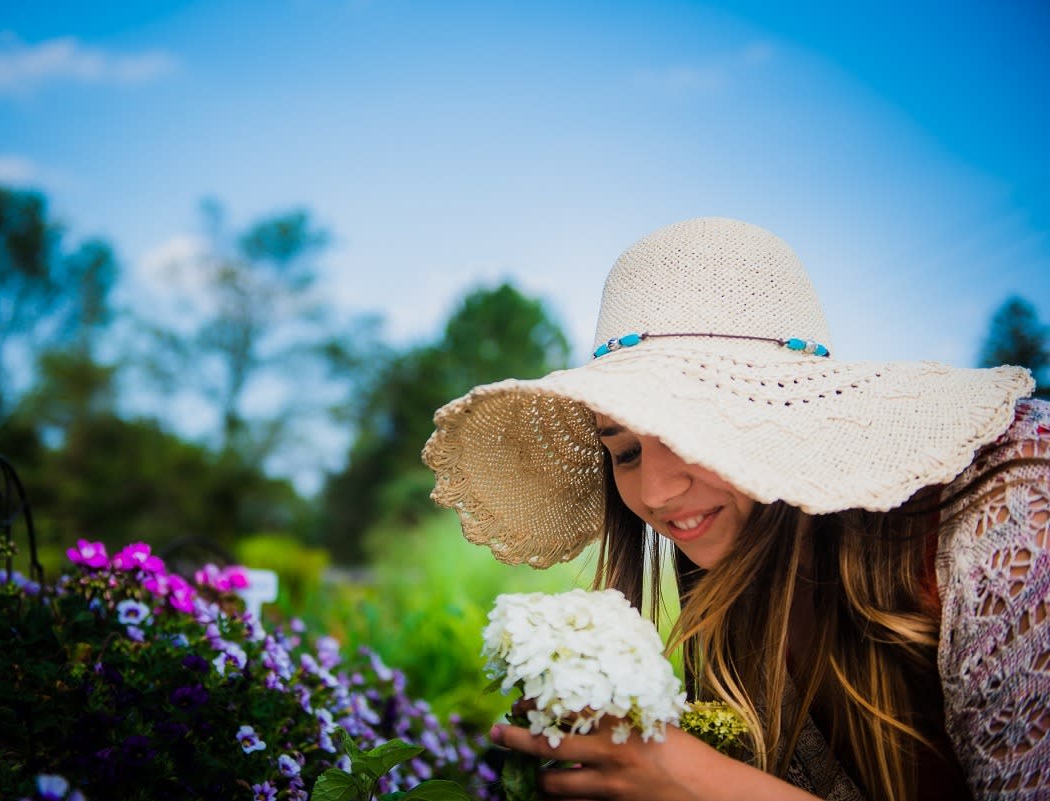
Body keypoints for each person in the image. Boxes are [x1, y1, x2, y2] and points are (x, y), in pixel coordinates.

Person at [420, 217, 1048, 801]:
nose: (658, 492)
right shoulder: (728, 601)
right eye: (628, 451)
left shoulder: (1009, 508)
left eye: (692, 431)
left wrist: (697, 780)